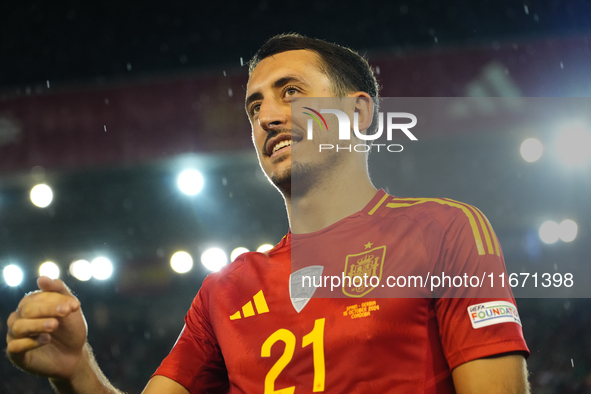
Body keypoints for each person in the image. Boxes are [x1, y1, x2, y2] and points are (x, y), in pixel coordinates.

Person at [6, 33, 530, 393]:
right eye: (255, 107)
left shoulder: (444, 230)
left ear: (357, 112)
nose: (268, 117)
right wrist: (77, 372)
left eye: (292, 92)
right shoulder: (225, 290)